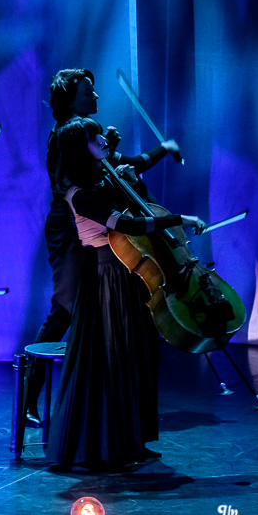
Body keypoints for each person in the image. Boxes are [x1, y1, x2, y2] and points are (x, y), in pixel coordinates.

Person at [24, 69, 180, 426]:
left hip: (94, 228)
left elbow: (124, 166)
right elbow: (75, 185)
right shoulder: (68, 137)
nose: (95, 96)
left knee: (99, 310)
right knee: (66, 309)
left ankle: (103, 405)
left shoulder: (88, 134)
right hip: (71, 229)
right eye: (88, 92)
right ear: (70, 99)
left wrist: (159, 150)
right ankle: (31, 396)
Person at [47, 118, 205, 470]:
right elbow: (128, 224)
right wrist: (178, 218)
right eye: (95, 137)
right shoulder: (80, 194)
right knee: (114, 359)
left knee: (136, 357)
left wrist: (133, 179)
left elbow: (138, 198)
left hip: (128, 274)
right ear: (80, 149)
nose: (103, 139)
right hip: (105, 280)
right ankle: (110, 446)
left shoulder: (105, 179)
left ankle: (132, 441)